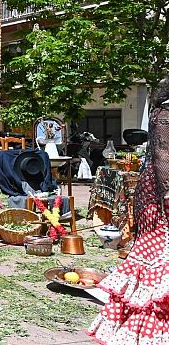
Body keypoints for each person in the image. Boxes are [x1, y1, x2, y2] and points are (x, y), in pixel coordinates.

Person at [89, 77, 169, 344]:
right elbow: (163, 158)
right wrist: (167, 195)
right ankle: (144, 332)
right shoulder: (165, 114)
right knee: (158, 259)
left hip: (157, 191)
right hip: (160, 197)